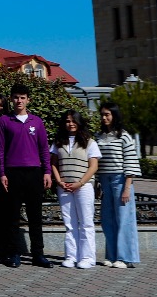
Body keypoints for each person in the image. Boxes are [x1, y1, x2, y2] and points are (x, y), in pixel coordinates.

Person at [0, 84, 52, 268]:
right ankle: (13, 253)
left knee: (35, 216)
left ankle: (38, 254)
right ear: (11, 99)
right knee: (12, 216)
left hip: (34, 172)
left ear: (28, 99)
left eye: (22, 97)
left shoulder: (37, 122)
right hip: (12, 173)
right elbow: (0, 149)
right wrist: (2, 173)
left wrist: (47, 172)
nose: (19, 101)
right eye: (16, 97)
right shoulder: (4, 121)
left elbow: (44, 148)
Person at [52, 110, 100, 269]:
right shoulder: (58, 141)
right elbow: (53, 163)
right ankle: (71, 256)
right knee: (69, 224)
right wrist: (58, 181)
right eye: (67, 121)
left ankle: (87, 257)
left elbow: (93, 166)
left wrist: (80, 182)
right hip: (64, 187)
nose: (70, 124)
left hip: (83, 186)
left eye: (74, 121)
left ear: (79, 122)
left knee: (86, 222)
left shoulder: (89, 142)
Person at [95, 102, 141, 268]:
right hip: (104, 181)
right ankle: (112, 255)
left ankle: (125, 258)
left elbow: (131, 162)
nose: (104, 117)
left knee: (124, 219)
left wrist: (127, 187)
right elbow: (96, 162)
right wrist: (97, 184)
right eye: (102, 114)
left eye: (107, 114)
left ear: (114, 115)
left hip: (120, 180)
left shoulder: (124, 136)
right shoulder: (98, 136)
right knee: (107, 220)